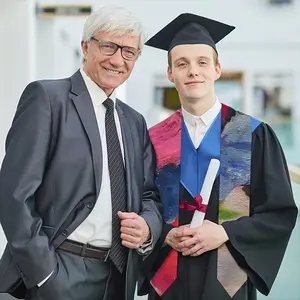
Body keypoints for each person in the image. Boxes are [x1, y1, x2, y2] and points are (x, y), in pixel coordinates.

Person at [0, 5, 162, 300]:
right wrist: (44, 274)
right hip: (59, 271)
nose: (117, 59)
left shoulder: (134, 122)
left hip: (117, 276)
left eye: (129, 52)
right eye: (108, 46)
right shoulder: (48, 100)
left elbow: (149, 194)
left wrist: (148, 227)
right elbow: (14, 195)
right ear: (85, 46)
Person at [138, 13, 298, 300]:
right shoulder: (153, 140)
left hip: (227, 281)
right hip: (168, 282)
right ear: (170, 74)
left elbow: (278, 213)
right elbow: (140, 204)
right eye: (182, 64)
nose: (193, 71)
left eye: (202, 62)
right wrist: (163, 234)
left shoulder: (251, 135)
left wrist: (227, 233)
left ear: (217, 69)